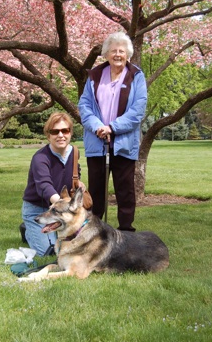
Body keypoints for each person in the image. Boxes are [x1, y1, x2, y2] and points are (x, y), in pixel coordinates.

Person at [78, 31, 147, 231]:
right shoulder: (95, 75)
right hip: (97, 141)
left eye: (122, 51)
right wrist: (98, 126)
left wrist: (113, 128)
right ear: (106, 54)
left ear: (128, 54)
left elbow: (137, 111)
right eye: (113, 51)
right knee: (96, 192)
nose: (117, 54)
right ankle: (93, 232)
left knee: (125, 192)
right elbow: (85, 106)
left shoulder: (136, 76)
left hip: (123, 143)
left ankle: (126, 232)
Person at [22, 112, 85, 256]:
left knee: (81, 244)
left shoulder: (74, 152)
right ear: (48, 135)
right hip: (39, 209)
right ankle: (28, 228)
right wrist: (62, 205)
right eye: (55, 131)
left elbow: (75, 172)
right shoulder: (40, 158)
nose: (61, 135)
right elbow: (44, 186)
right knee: (48, 252)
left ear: (70, 133)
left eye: (65, 130)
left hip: (62, 210)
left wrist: (78, 182)